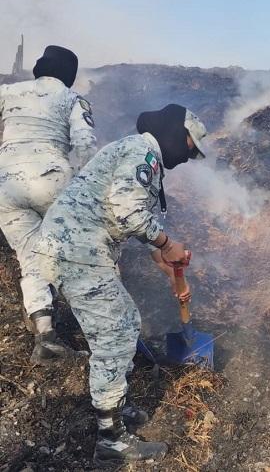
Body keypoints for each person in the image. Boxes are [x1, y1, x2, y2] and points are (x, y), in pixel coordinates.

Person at [33, 104, 208, 466]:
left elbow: (128, 219)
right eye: (190, 145)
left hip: (76, 247)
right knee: (115, 333)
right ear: (177, 132)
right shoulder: (143, 152)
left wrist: (166, 265)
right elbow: (128, 211)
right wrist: (167, 243)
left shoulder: (135, 150)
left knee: (122, 324)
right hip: (77, 248)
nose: (190, 156)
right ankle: (111, 439)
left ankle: (117, 406)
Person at [0, 45, 97, 364]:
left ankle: (45, 337)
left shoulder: (9, 91)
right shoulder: (73, 100)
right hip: (50, 179)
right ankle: (102, 331)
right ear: (69, 75)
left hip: (6, 185)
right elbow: (84, 145)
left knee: (30, 257)